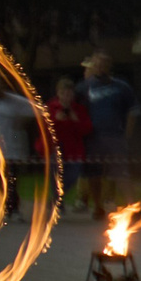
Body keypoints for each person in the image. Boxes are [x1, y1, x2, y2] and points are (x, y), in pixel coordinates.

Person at [80, 54, 134, 215]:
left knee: (121, 172)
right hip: (92, 138)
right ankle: (98, 206)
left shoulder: (121, 87)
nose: (100, 67)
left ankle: (132, 206)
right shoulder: (84, 87)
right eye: (97, 64)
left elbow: (133, 110)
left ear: (109, 66)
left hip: (115, 136)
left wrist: (127, 134)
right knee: (94, 174)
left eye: (104, 64)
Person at [46, 75, 91, 217]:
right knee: (55, 177)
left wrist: (75, 120)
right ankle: (58, 202)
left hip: (74, 150)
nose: (66, 96)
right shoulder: (51, 107)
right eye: (63, 93)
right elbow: (44, 128)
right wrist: (55, 120)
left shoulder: (79, 109)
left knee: (73, 175)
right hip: (55, 148)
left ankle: (57, 198)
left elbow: (87, 129)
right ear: (58, 93)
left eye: (69, 94)